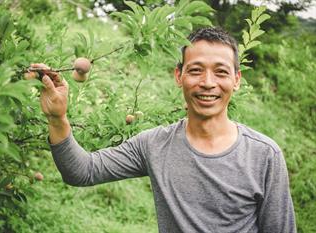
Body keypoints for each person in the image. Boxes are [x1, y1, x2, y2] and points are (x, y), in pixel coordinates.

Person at [34, 27, 296, 233]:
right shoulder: (154, 145)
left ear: (236, 80)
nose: (207, 83)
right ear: (178, 76)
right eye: (195, 70)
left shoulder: (265, 155)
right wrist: (58, 119)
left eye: (220, 72)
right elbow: (82, 171)